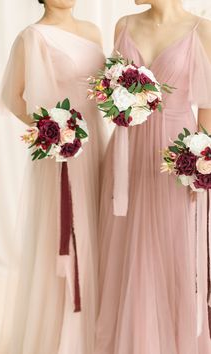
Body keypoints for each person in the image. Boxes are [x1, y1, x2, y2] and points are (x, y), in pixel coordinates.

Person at [95, 1, 211, 353]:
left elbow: (208, 108)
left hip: (176, 153)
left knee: (175, 246)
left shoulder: (202, 29)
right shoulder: (124, 25)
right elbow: (109, 95)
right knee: (126, 244)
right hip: (127, 151)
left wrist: (201, 162)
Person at [0, 1, 106, 353]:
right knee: (66, 227)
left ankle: (99, 324)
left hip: (96, 140)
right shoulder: (31, 36)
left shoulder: (92, 31)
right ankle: (66, 332)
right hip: (63, 148)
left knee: (98, 226)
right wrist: (49, 128)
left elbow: (101, 88)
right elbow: (13, 98)